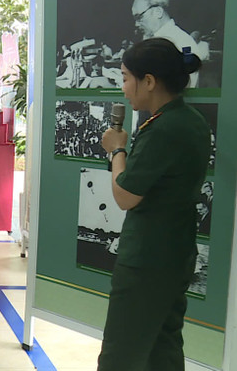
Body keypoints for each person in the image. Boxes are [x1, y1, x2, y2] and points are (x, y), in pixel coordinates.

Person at [98, 38, 210, 371]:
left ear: (149, 81)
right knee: (163, 348)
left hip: (146, 261)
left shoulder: (161, 128)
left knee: (121, 354)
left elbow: (125, 196)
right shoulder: (192, 121)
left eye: (125, 78)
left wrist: (117, 150)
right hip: (176, 254)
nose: (124, 89)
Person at [131, 0, 206, 86]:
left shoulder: (180, 41)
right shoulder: (157, 40)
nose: (136, 24)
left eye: (139, 17)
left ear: (158, 11)